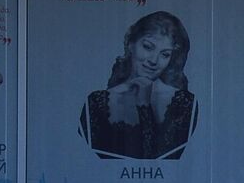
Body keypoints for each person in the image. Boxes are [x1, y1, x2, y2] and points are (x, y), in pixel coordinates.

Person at [79, 11, 198, 160]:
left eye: (165, 54)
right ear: (130, 43)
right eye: (148, 47)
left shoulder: (184, 103)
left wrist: (144, 105)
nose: (153, 60)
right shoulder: (96, 102)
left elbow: (157, 160)